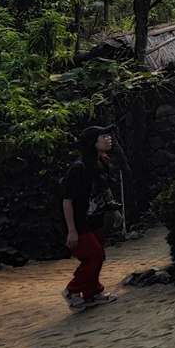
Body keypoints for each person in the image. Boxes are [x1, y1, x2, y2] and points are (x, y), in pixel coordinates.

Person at [61, 125, 119, 309]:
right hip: (79, 223)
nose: (108, 138)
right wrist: (71, 230)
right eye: (103, 136)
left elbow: (103, 189)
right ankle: (72, 289)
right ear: (92, 143)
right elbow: (67, 200)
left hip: (94, 219)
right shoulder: (79, 168)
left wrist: (112, 208)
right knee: (94, 256)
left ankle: (92, 293)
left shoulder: (101, 162)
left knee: (98, 256)